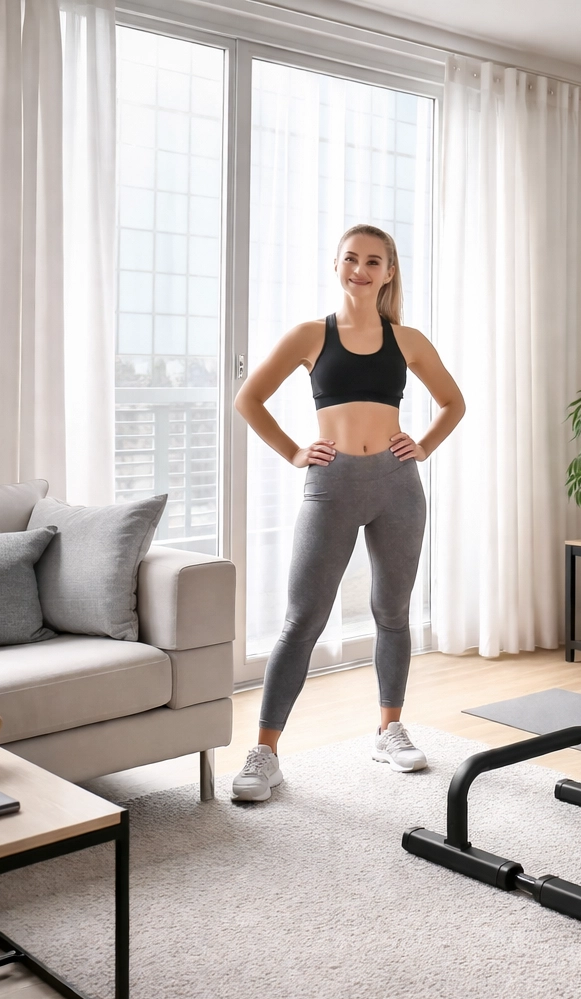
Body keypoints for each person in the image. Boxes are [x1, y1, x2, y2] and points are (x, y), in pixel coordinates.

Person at [229, 224, 464, 802]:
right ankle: (264, 752)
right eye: (351, 259)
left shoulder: (407, 340)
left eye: (373, 261)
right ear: (336, 264)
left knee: (392, 611)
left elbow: (454, 402)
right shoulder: (311, 335)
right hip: (331, 486)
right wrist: (292, 452)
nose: (361, 269)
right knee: (301, 620)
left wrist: (425, 445)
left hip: (396, 486)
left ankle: (389, 729)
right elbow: (248, 399)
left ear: (389, 272)